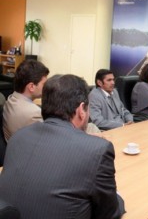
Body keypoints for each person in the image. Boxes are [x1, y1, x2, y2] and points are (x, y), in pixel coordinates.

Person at [0, 74, 125, 218]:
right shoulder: (97, 150)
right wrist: (118, 198)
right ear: (81, 110)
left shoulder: (19, 137)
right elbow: (110, 214)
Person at [2, 60, 49, 142]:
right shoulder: (35, 114)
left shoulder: (11, 99)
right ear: (31, 87)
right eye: (44, 84)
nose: (46, 87)